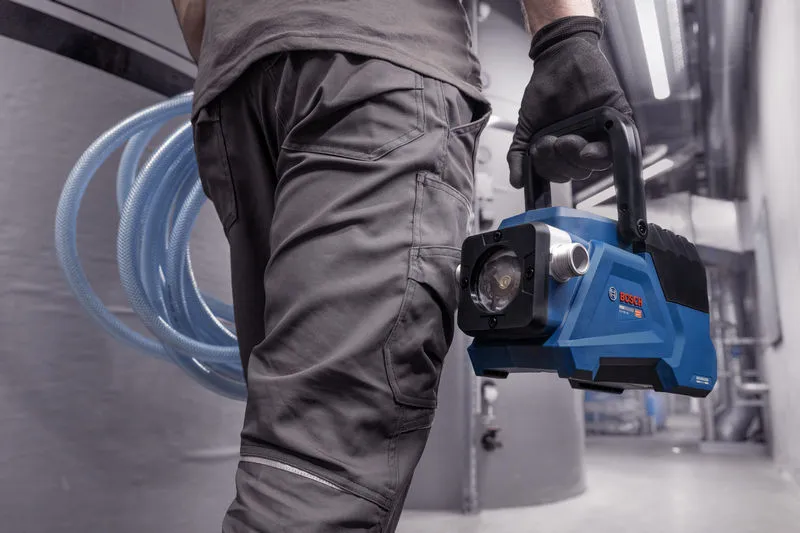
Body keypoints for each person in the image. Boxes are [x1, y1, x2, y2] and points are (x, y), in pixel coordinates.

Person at [172, 0, 635, 530]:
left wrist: (242, 46)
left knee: (288, 438)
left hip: (232, 91)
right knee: (318, 461)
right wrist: (565, 37)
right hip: (378, 61)